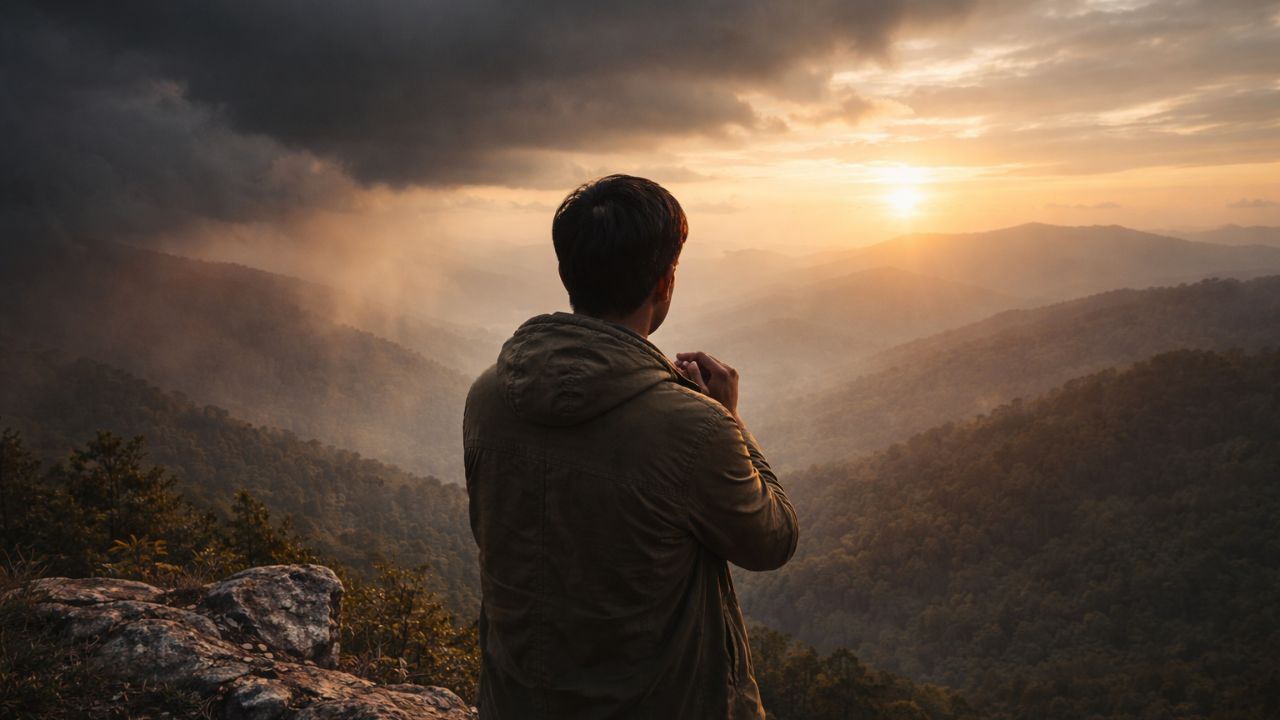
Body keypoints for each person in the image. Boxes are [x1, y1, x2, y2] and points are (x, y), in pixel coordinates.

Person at [463, 174, 798, 719]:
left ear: (566, 270)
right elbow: (773, 540)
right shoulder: (696, 428)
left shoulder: (487, 397)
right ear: (665, 282)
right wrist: (729, 417)